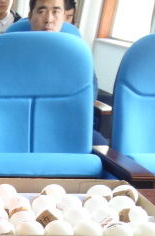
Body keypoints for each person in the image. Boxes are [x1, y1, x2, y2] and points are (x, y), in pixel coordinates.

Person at [29, 0, 107, 145]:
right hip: (22, 123)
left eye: (56, 12)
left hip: (65, 125)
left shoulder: (78, 56)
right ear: (30, 16)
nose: (49, 19)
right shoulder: (12, 52)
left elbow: (87, 97)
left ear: (64, 17)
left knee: (100, 145)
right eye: (41, 11)